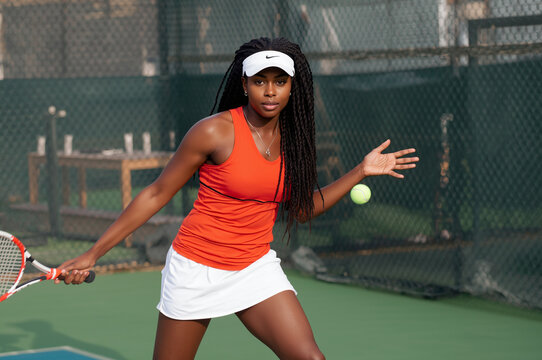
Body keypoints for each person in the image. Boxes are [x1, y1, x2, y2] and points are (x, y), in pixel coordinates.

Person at [56, 37, 419, 360]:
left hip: (254, 267)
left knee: (309, 357)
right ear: (244, 85)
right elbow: (155, 193)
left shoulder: (294, 144)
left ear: (293, 87)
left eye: (280, 81)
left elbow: (303, 210)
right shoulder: (214, 131)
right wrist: (94, 253)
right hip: (196, 267)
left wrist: (360, 171)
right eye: (260, 81)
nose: (270, 91)